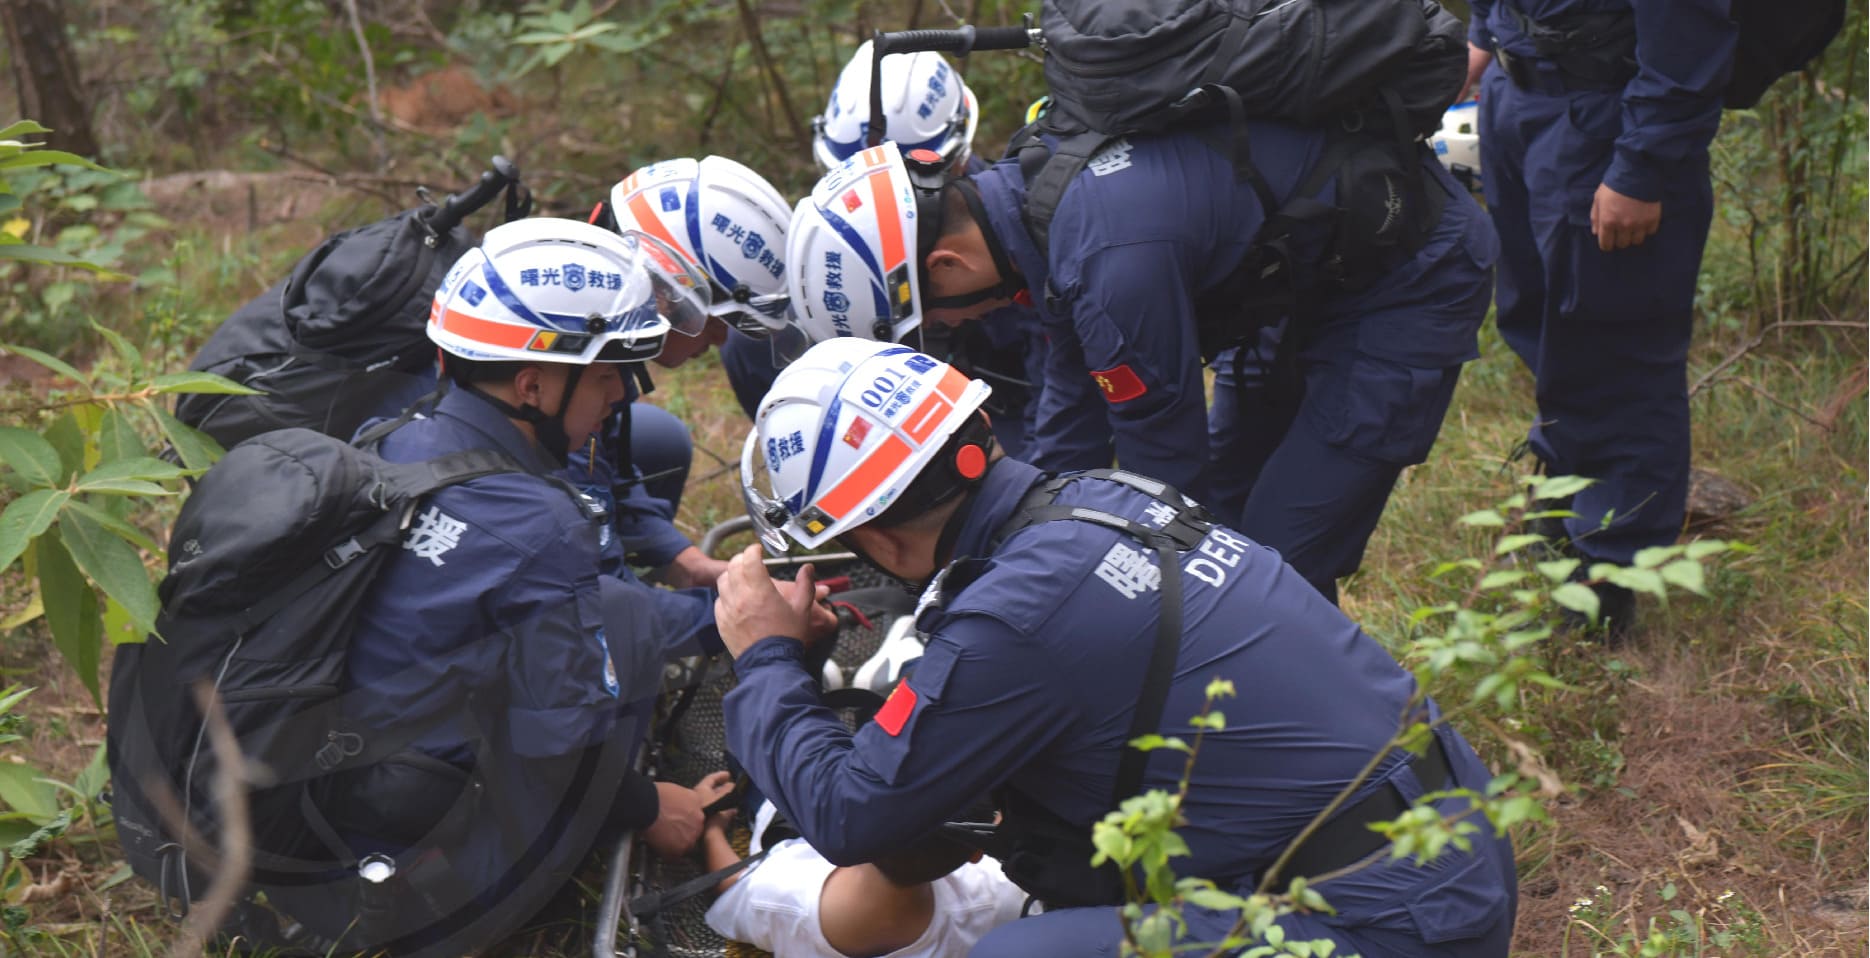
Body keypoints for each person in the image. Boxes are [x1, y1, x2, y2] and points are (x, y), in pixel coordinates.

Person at [713, 339, 1518, 957]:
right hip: (1447, 854)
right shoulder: (1104, 501)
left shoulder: (1016, 616)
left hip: (1389, 925)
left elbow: (851, 816)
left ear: (875, 536)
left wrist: (766, 656)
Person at [316, 219, 790, 951]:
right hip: (414, 855)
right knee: (625, 632)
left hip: (330, 782)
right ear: (533, 384)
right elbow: (555, 748)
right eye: (607, 376)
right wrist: (645, 806)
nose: (623, 394)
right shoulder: (541, 525)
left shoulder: (395, 432)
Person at [784, 118, 1498, 602]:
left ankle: (1304, 758)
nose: (954, 325)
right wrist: (1011, 541)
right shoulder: (1031, 201)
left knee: (1275, 557)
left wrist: (1091, 593)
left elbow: (1166, 473)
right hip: (1302, 285)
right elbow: (1071, 406)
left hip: (1410, 276)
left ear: (945, 261)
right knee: (1233, 503)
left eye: (934, 315)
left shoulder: (1107, 263)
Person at [1464, 0, 1738, 637]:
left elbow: (1689, 36)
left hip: (1604, 116)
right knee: (1538, 326)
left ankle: (1608, 579)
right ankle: (1565, 513)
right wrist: (1485, 38)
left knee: (1617, 348)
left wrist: (1643, 165)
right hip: (1517, 98)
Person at [700, 798, 1026, 958]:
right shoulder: (995, 898)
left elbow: (731, 884)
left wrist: (713, 829)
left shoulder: (777, 897)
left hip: (787, 812)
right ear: (975, 853)